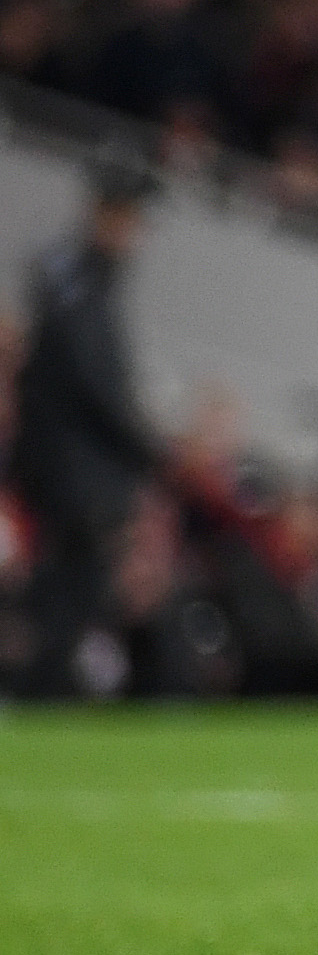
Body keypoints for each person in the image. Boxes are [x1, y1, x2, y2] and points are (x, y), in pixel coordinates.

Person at [11, 150, 164, 697]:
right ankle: (35, 698)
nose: (136, 234)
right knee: (68, 598)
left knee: (69, 597)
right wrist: (153, 450)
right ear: (106, 214)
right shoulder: (76, 281)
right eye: (130, 218)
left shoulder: (77, 278)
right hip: (73, 475)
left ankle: (40, 697)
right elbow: (95, 383)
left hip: (71, 471)